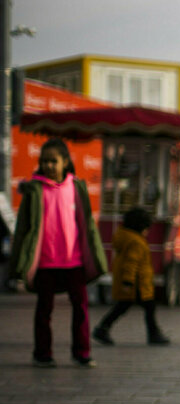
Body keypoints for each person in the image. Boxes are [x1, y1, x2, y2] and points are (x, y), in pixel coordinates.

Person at [9, 138, 107, 368]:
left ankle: (82, 352)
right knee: (44, 310)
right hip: (46, 263)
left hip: (74, 262)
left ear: (65, 162)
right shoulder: (35, 190)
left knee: (80, 308)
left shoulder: (76, 187)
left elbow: (87, 226)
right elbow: (23, 228)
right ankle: (42, 353)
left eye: (53, 161)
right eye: (44, 161)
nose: (48, 165)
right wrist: (19, 262)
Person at [93, 207, 170, 346]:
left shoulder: (125, 236)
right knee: (146, 307)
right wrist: (128, 282)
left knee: (126, 307)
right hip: (137, 284)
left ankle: (103, 328)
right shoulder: (136, 242)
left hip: (133, 283)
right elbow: (131, 263)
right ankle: (153, 334)